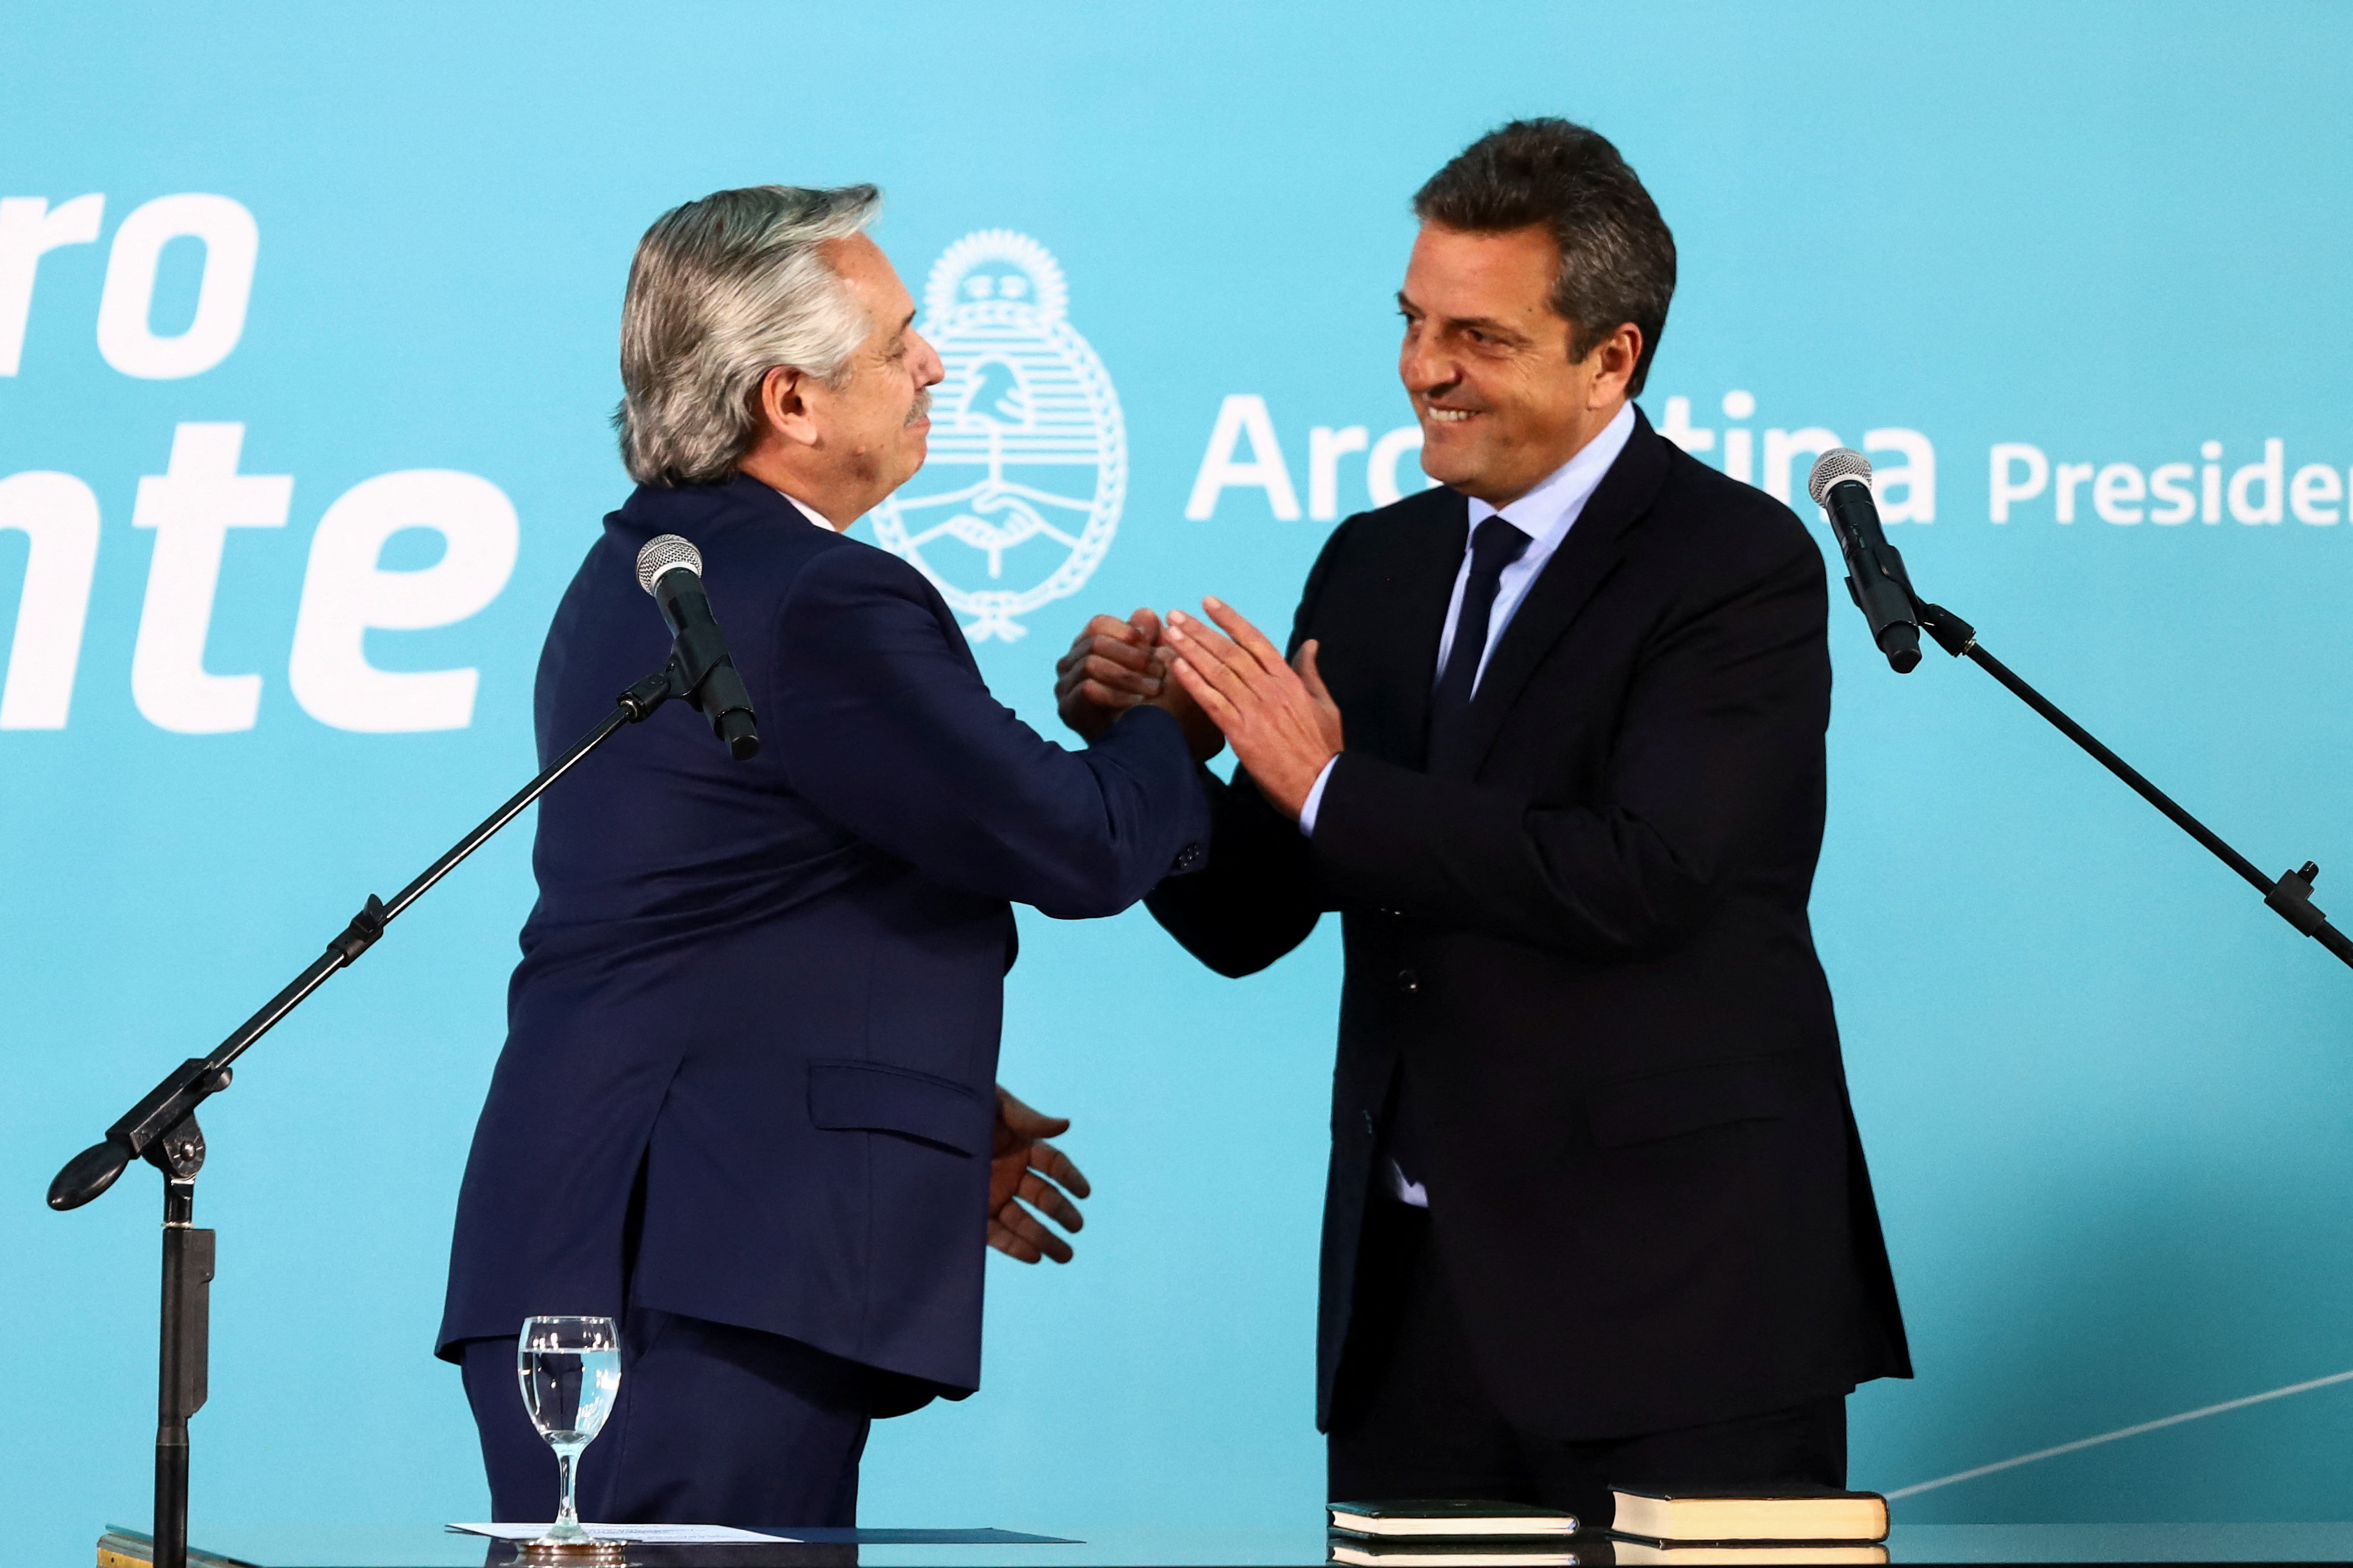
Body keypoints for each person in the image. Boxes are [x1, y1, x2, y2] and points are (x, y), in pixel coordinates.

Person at [1058, 120, 1910, 1525]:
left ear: (1610, 359)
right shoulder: (1372, 561)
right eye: (1409, 322)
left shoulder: (1734, 564)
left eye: (1477, 336)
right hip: (1414, 1313)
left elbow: (1646, 874)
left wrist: (1327, 782)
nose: (1421, 369)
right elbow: (1250, 914)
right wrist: (1145, 743)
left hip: (1678, 1299)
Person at [439, 184, 1208, 1528]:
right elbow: (1079, 844)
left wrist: (917, 1105)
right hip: (689, 1266)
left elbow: (741, 912)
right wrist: (1165, 726)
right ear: (789, 401)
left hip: (620, 1244)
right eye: (900, 338)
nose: (936, 364)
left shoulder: (642, 570)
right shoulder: (815, 597)